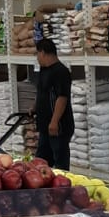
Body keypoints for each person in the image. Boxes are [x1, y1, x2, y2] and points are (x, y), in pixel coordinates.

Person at [34, 36, 73, 169]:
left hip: (58, 127)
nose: (37, 57)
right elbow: (42, 92)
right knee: (41, 161)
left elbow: (62, 97)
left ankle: (63, 181)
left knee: (60, 161)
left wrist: (54, 121)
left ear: (43, 52)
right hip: (45, 126)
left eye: (37, 54)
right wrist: (34, 107)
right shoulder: (44, 70)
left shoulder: (61, 72)